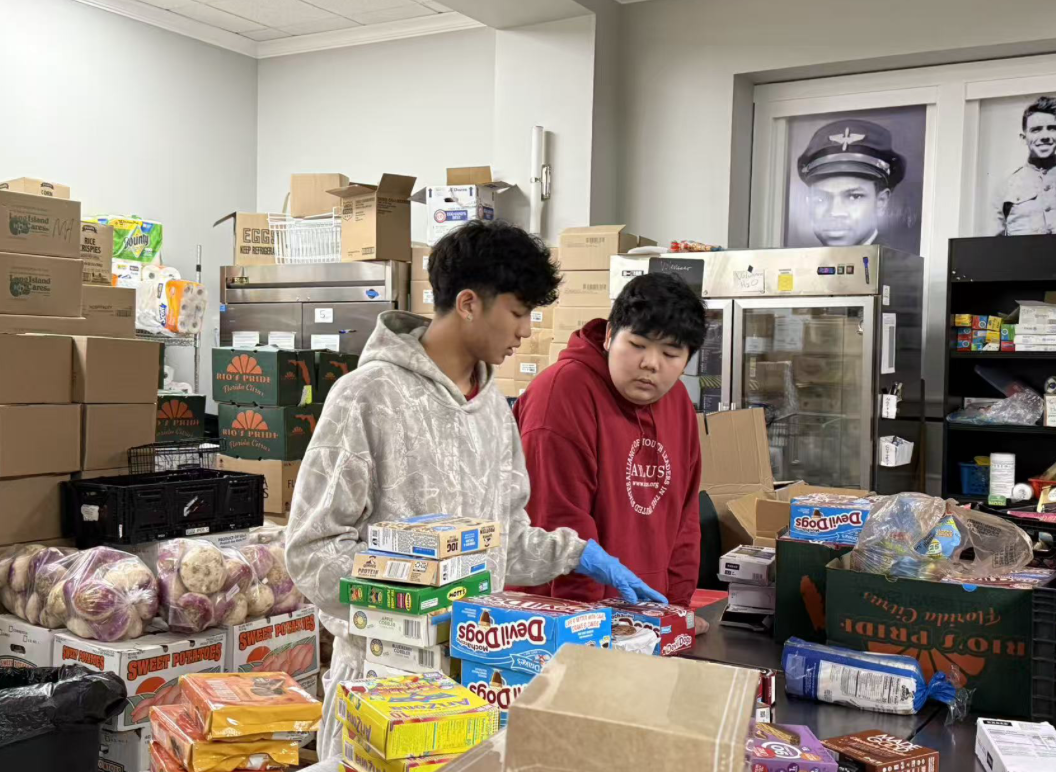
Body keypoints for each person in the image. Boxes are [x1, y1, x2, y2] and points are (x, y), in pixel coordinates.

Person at [285, 220, 663, 760]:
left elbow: (503, 542)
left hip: (478, 681)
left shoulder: (493, 411)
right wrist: (412, 587)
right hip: (382, 690)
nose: (526, 330)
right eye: (518, 312)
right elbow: (310, 551)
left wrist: (577, 554)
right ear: (468, 303)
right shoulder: (366, 397)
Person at [512, 272, 707, 618]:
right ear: (608, 336)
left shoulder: (677, 400)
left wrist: (675, 613)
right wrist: (585, 629)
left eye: (671, 353)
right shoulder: (560, 395)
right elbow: (560, 523)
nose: (651, 364)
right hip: (555, 621)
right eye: (637, 345)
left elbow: (684, 519)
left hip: (643, 621)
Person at [795, 118, 906, 246]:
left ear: (881, 202)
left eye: (854, 197)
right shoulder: (800, 259)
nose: (835, 212)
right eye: (820, 199)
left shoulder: (895, 260)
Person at [990, 95, 1056, 236]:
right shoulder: (1006, 187)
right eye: (1036, 130)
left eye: (1052, 128)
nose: (1045, 136)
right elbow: (993, 244)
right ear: (1023, 137)